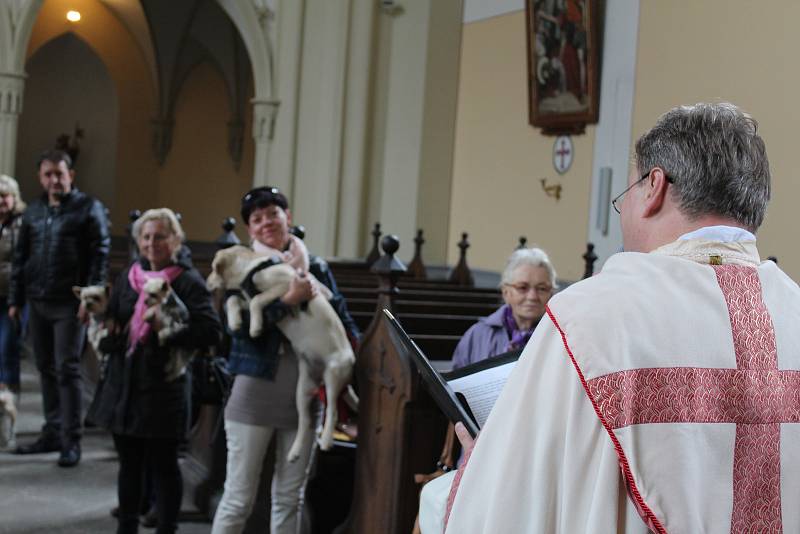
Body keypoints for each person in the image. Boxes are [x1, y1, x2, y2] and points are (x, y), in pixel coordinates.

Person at [421, 102, 799, 533]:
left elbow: (510, 501)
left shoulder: (588, 316)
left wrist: (484, 460)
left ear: (654, 186)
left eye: (628, 193)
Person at [211, 186, 360, 534]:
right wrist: (286, 300)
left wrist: (356, 357)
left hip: (306, 397)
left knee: (290, 498)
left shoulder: (317, 266)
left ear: (287, 217)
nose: (266, 223)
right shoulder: (240, 266)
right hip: (256, 391)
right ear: (250, 228)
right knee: (237, 498)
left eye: (273, 214)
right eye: (257, 218)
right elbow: (234, 331)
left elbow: (342, 320)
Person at [88, 208, 221, 534]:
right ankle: (127, 527)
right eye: (146, 237)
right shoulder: (129, 276)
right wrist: (109, 332)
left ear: (175, 239)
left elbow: (211, 333)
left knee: (164, 466)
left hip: (165, 386)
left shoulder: (188, 282)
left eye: (160, 236)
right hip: (126, 383)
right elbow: (116, 319)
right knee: (129, 465)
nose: (152, 243)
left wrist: (168, 330)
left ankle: (166, 527)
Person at [414, 248, 556, 534]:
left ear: (552, 293)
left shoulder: (556, 336)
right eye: (523, 287)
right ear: (505, 292)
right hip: (477, 449)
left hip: (532, 453)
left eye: (542, 288)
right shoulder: (478, 334)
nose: (532, 296)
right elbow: (453, 397)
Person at [9, 149, 110, 467]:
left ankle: (71, 440)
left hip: (70, 303)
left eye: (59, 174)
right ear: (41, 177)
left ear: (71, 176)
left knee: (67, 369)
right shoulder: (35, 210)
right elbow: (20, 256)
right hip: (37, 300)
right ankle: (51, 432)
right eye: (48, 174)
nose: (54, 179)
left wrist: (89, 300)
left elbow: (100, 254)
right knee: (45, 368)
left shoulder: (87, 207)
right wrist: (16, 299)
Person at [0, 175, 26, 398]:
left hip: (12, 295)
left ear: (14, 198)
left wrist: (17, 298)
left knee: (8, 347)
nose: (1, 201)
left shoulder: (23, 223)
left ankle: (8, 403)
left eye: (4, 196)